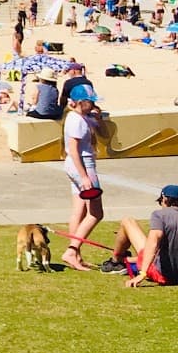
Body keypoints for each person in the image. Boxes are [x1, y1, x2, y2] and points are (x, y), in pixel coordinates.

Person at [99, 184, 178, 285]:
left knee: (127, 221)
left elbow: (153, 243)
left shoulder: (159, 215)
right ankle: (125, 260)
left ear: (165, 199)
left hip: (165, 275)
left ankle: (116, 261)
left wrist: (142, 274)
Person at [60, 85, 106, 272]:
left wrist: (97, 116)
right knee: (96, 213)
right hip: (83, 166)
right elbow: (73, 149)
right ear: (80, 102)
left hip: (75, 167)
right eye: (90, 101)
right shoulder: (77, 121)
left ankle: (76, 256)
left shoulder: (80, 118)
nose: (93, 104)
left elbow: (102, 131)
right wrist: (84, 176)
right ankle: (72, 250)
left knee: (78, 210)